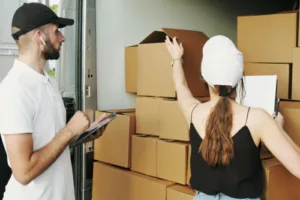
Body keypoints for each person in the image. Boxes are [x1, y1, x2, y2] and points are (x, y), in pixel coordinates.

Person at [165, 35, 300, 200]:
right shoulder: (258, 118)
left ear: (203, 77)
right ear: (240, 79)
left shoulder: (193, 112)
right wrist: (278, 129)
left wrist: (176, 59)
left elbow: (181, 86)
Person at [0, 3, 107, 200]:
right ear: (39, 36)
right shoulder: (15, 89)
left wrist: (80, 136)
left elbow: (50, 144)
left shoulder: (49, 83)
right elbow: (23, 173)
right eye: (56, 32)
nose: (62, 37)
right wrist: (69, 131)